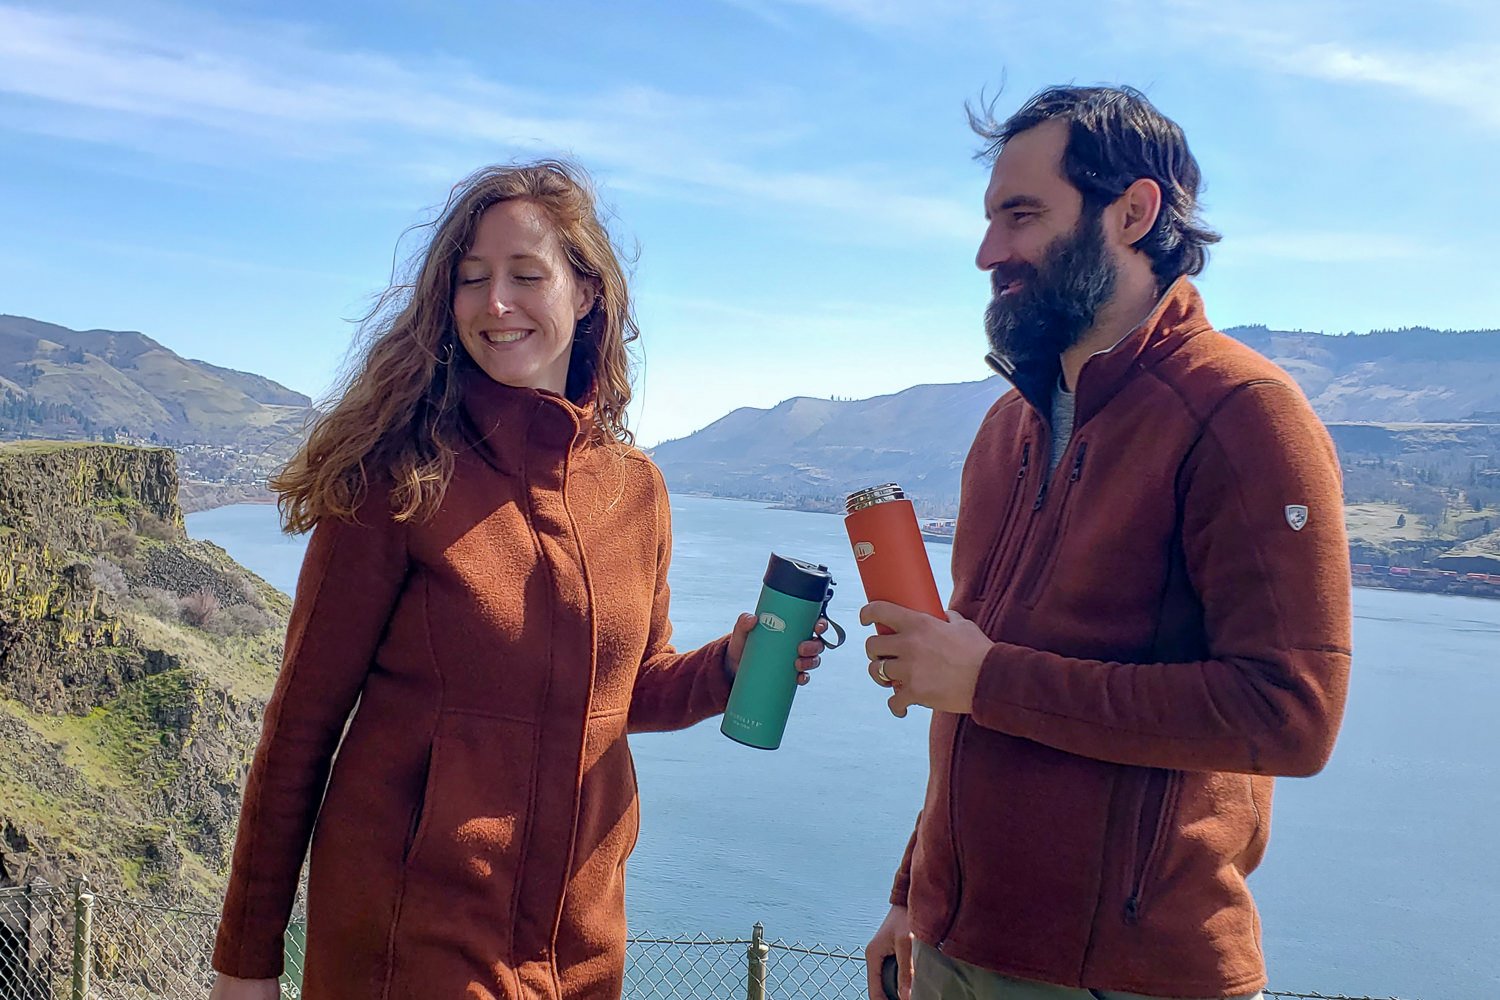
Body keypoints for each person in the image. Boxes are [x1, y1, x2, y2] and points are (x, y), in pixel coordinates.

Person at [207, 160, 826, 1000]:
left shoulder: (634, 489)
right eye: (472, 280)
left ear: (587, 293)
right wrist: (245, 963)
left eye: (526, 276)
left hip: (581, 944)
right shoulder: (399, 477)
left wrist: (730, 666)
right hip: (409, 942)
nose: (495, 303)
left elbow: (626, 693)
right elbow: (300, 729)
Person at [861, 86, 1352, 1000]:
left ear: (1133, 211)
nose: (988, 253)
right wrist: (910, 892)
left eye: (1022, 216)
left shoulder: (1244, 416)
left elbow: (1293, 714)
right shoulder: (1007, 431)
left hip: (1130, 977)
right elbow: (972, 702)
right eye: (989, 220)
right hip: (954, 951)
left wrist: (989, 679)